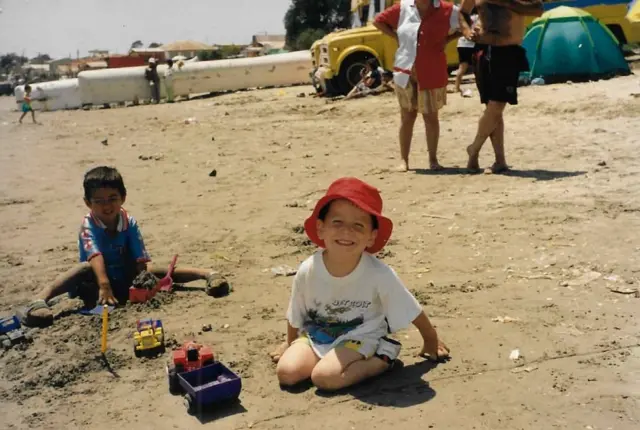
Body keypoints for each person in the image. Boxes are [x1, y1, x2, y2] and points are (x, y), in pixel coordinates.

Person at [269, 177, 450, 391]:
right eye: (337, 222)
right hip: (318, 334)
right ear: (321, 228)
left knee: (325, 377)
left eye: (358, 225)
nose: (347, 231)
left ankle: (383, 357)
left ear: (371, 237)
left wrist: (430, 340)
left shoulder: (378, 273)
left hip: (362, 335)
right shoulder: (308, 269)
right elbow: (296, 312)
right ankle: (326, 359)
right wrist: (290, 344)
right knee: (287, 373)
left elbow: (410, 308)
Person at [18, 166, 227, 327]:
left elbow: (139, 255)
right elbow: (95, 255)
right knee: (81, 269)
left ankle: (207, 274)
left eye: (112, 199)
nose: (106, 206)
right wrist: (104, 285)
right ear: (88, 203)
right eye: (99, 201)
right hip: (94, 279)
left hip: (124, 274)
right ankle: (39, 300)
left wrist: (143, 282)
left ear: (123, 198)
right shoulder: (88, 225)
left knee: (151, 270)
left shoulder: (129, 222)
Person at [374, 0, 461, 172]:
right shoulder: (403, 7)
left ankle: (433, 160)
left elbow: (467, 23)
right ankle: (403, 160)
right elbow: (378, 21)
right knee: (407, 117)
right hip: (405, 69)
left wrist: (448, 39)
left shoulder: (446, 9)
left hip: (432, 69)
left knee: (431, 117)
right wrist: (396, 36)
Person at [459, 0, 543, 173]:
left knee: (497, 104)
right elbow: (462, 13)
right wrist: (467, 31)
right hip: (483, 49)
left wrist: (505, 3)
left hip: (508, 50)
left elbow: (537, 10)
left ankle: (474, 148)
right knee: (492, 106)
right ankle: (500, 160)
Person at [454, 11, 479, 96]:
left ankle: (456, 87)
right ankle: (480, 85)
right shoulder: (478, 17)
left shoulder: (462, 18)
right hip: (472, 44)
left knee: (462, 67)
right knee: (478, 66)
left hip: (461, 44)